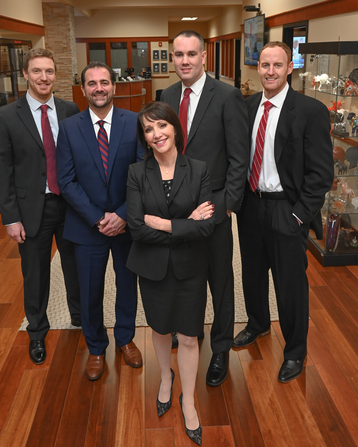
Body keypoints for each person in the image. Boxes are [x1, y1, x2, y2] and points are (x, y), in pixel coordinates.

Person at [233, 41, 334, 383]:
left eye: (278, 65)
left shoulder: (310, 110)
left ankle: (295, 351)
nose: (270, 71)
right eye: (264, 65)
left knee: (290, 285)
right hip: (251, 206)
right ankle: (258, 324)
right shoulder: (246, 107)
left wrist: (298, 216)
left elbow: (321, 174)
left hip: (286, 209)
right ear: (257, 67)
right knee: (252, 273)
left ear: (290, 68)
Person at [161, 30, 249, 386]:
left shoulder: (227, 96)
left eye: (191, 54)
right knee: (185, 278)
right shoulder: (166, 94)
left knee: (219, 281)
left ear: (204, 58)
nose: (184, 60)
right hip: (176, 209)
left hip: (213, 207)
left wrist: (226, 206)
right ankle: (188, 337)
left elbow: (238, 159)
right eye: (178, 54)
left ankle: (221, 349)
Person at [126, 101, 215, 446]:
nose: (156, 134)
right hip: (151, 267)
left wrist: (162, 223)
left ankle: (188, 398)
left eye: (161, 126)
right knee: (161, 329)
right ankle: (166, 377)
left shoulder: (199, 169)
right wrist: (184, 224)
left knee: (190, 336)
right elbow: (135, 228)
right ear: (144, 139)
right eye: (148, 130)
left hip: (191, 266)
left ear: (174, 128)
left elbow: (206, 227)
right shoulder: (136, 173)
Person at [0, 48, 81, 365]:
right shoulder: (5, 116)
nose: (44, 77)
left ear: (55, 75)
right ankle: (37, 332)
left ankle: (79, 316)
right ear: (26, 75)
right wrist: (10, 217)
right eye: (37, 71)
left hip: (70, 206)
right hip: (32, 209)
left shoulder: (70, 110)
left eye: (49, 71)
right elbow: (2, 171)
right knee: (35, 273)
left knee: (75, 265)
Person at [56, 61, 144, 381]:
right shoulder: (69, 128)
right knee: (90, 290)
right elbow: (66, 181)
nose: (99, 88)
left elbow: (142, 175)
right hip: (86, 226)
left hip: (126, 224)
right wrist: (97, 219)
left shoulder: (134, 123)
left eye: (104, 82)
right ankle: (95, 347)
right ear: (83, 90)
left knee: (126, 286)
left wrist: (121, 215)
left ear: (114, 87)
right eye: (91, 84)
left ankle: (126, 339)